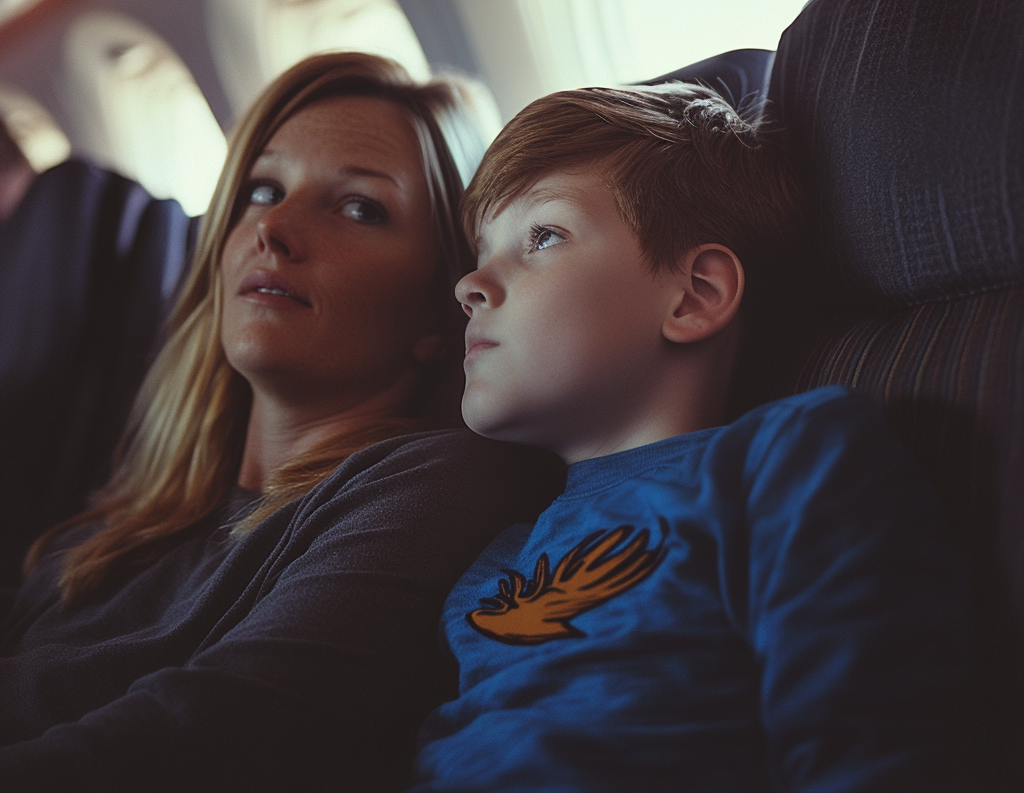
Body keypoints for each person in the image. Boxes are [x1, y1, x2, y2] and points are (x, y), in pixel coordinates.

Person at [0, 52, 564, 792]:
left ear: (438, 308)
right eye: (263, 189)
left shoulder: (444, 484)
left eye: (359, 207)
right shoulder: (125, 522)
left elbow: (195, 740)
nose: (275, 228)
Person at [411, 83, 972, 791]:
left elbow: (867, 745)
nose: (470, 284)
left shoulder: (785, 461)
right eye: (481, 250)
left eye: (542, 235)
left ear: (693, 296)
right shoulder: (491, 568)